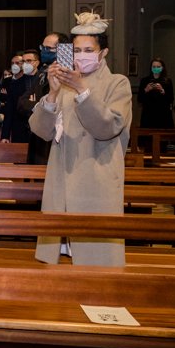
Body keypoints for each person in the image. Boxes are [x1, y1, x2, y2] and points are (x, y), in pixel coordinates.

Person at [30, 13, 131, 266]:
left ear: (102, 52)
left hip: (95, 180)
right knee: (56, 267)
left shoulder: (117, 83)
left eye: (88, 49)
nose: (81, 55)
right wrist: (52, 94)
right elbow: (41, 131)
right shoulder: (62, 85)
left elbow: (107, 128)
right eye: (76, 50)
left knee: (95, 264)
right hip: (61, 179)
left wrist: (82, 91)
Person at [22, 31, 69, 165]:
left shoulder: (68, 74)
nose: (44, 51)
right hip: (38, 137)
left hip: (56, 140)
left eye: (49, 48)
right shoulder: (43, 73)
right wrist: (41, 107)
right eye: (43, 48)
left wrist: (41, 105)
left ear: (63, 50)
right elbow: (22, 102)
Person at [0, 49, 39, 143]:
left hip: (40, 129)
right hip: (20, 130)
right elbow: (9, 110)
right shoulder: (15, 83)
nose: (26, 64)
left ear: (37, 63)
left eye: (29, 61)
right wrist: (5, 135)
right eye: (24, 61)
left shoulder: (44, 80)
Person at [137, 57, 175, 128]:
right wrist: (146, 90)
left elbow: (171, 99)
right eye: (154, 66)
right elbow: (139, 99)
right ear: (151, 68)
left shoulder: (167, 81)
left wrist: (162, 90)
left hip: (163, 116)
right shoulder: (145, 81)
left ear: (162, 68)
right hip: (148, 116)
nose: (156, 68)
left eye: (158, 67)